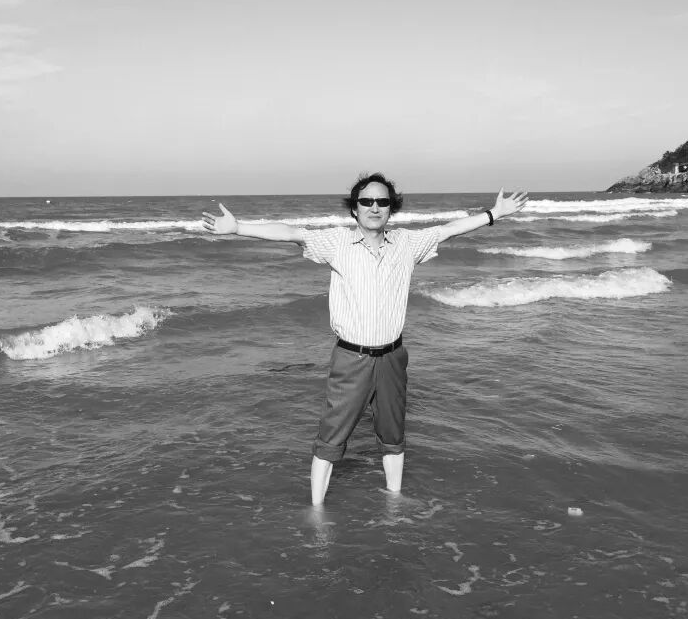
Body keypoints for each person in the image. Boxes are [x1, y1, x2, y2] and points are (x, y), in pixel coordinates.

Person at [202, 173, 528, 506]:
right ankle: (316, 512)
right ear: (354, 209)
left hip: (392, 358)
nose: (375, 207)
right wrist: (238, 228)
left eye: (382, 201)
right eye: (367, 201)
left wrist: (495, 213)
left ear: (391, 208)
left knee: (393, 435)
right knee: (331, 438)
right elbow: (291, 233)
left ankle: (394, 502)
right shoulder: (337, 242)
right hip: (351, 358)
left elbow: (449, 229)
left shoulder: (407, 243)